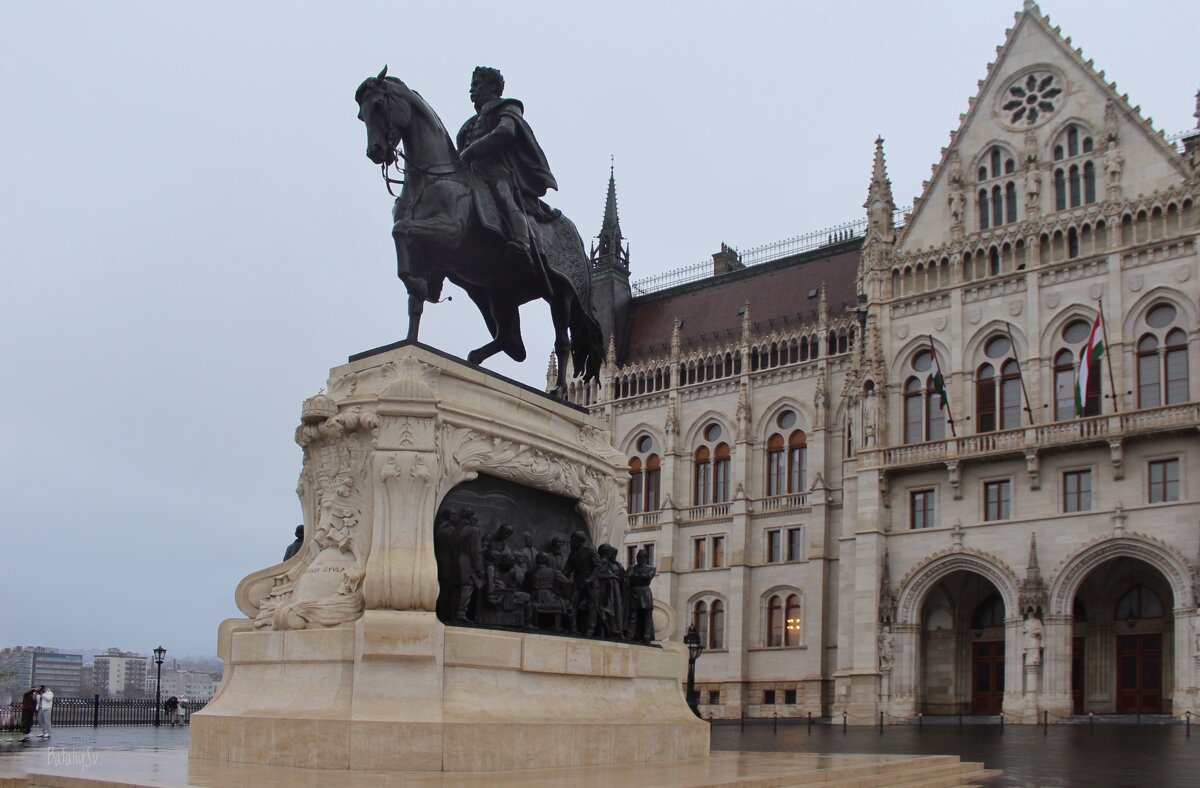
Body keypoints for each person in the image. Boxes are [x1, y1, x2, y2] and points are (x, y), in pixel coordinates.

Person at [456, 66, 558, 267]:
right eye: (471, 86)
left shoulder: (508, 107)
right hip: (470, 172)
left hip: (497, 170)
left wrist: (472, 151)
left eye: (477, 85)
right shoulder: (470, 123)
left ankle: (522, 242)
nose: (472, 91)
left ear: (493, 86)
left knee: (504, 194)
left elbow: (506, 132)